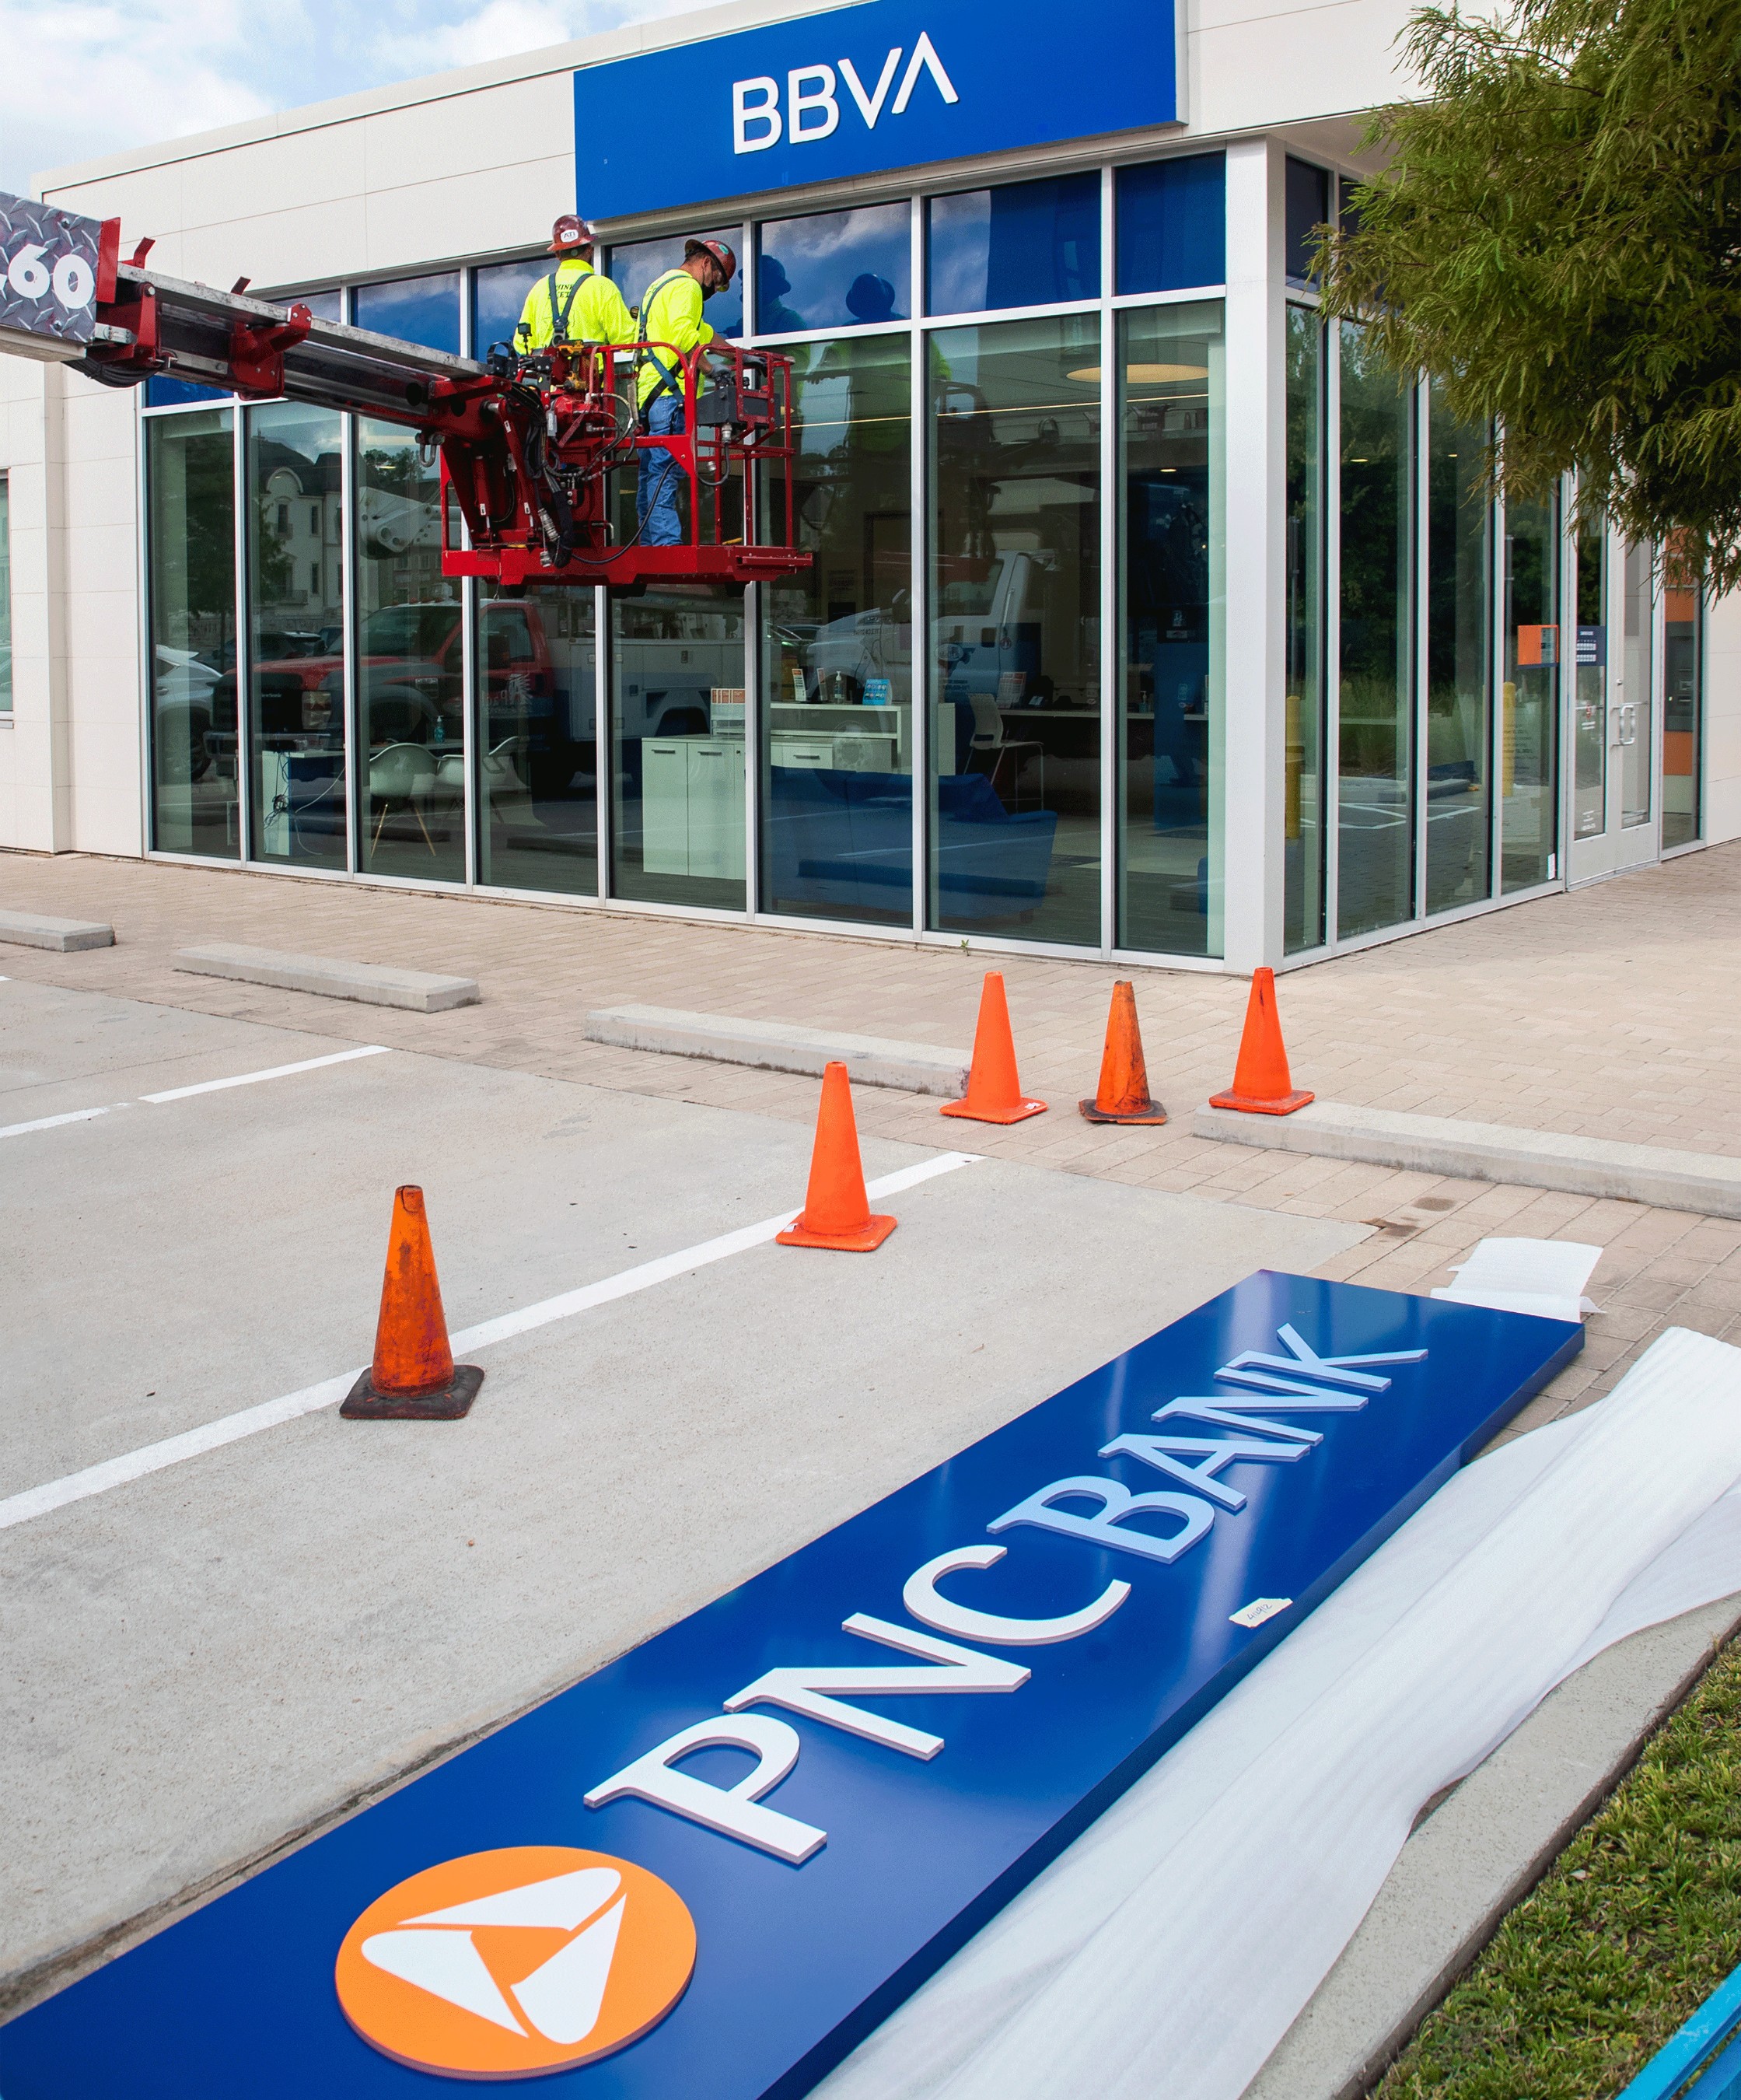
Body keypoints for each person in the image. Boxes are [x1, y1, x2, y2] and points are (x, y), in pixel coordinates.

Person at [635, 237, 736, 548]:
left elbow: (705, 335)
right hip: (670, 394)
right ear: (707, 262)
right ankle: (665, 544)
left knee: (650, 472)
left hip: (650, 395)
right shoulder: (688, 287)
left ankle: (650, 541)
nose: (713, 289)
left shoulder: (662, 286)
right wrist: (709, 368)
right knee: (665, 471)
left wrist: (742, 355)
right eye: (717, 280)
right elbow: (682, 335)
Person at [515, 215, 634, 354]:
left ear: (557, 255)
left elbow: (522, 344)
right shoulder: (602, 287)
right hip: (592, 375)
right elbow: (627, 341)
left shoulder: (539, 289)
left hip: (548, 375)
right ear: (590, 250)